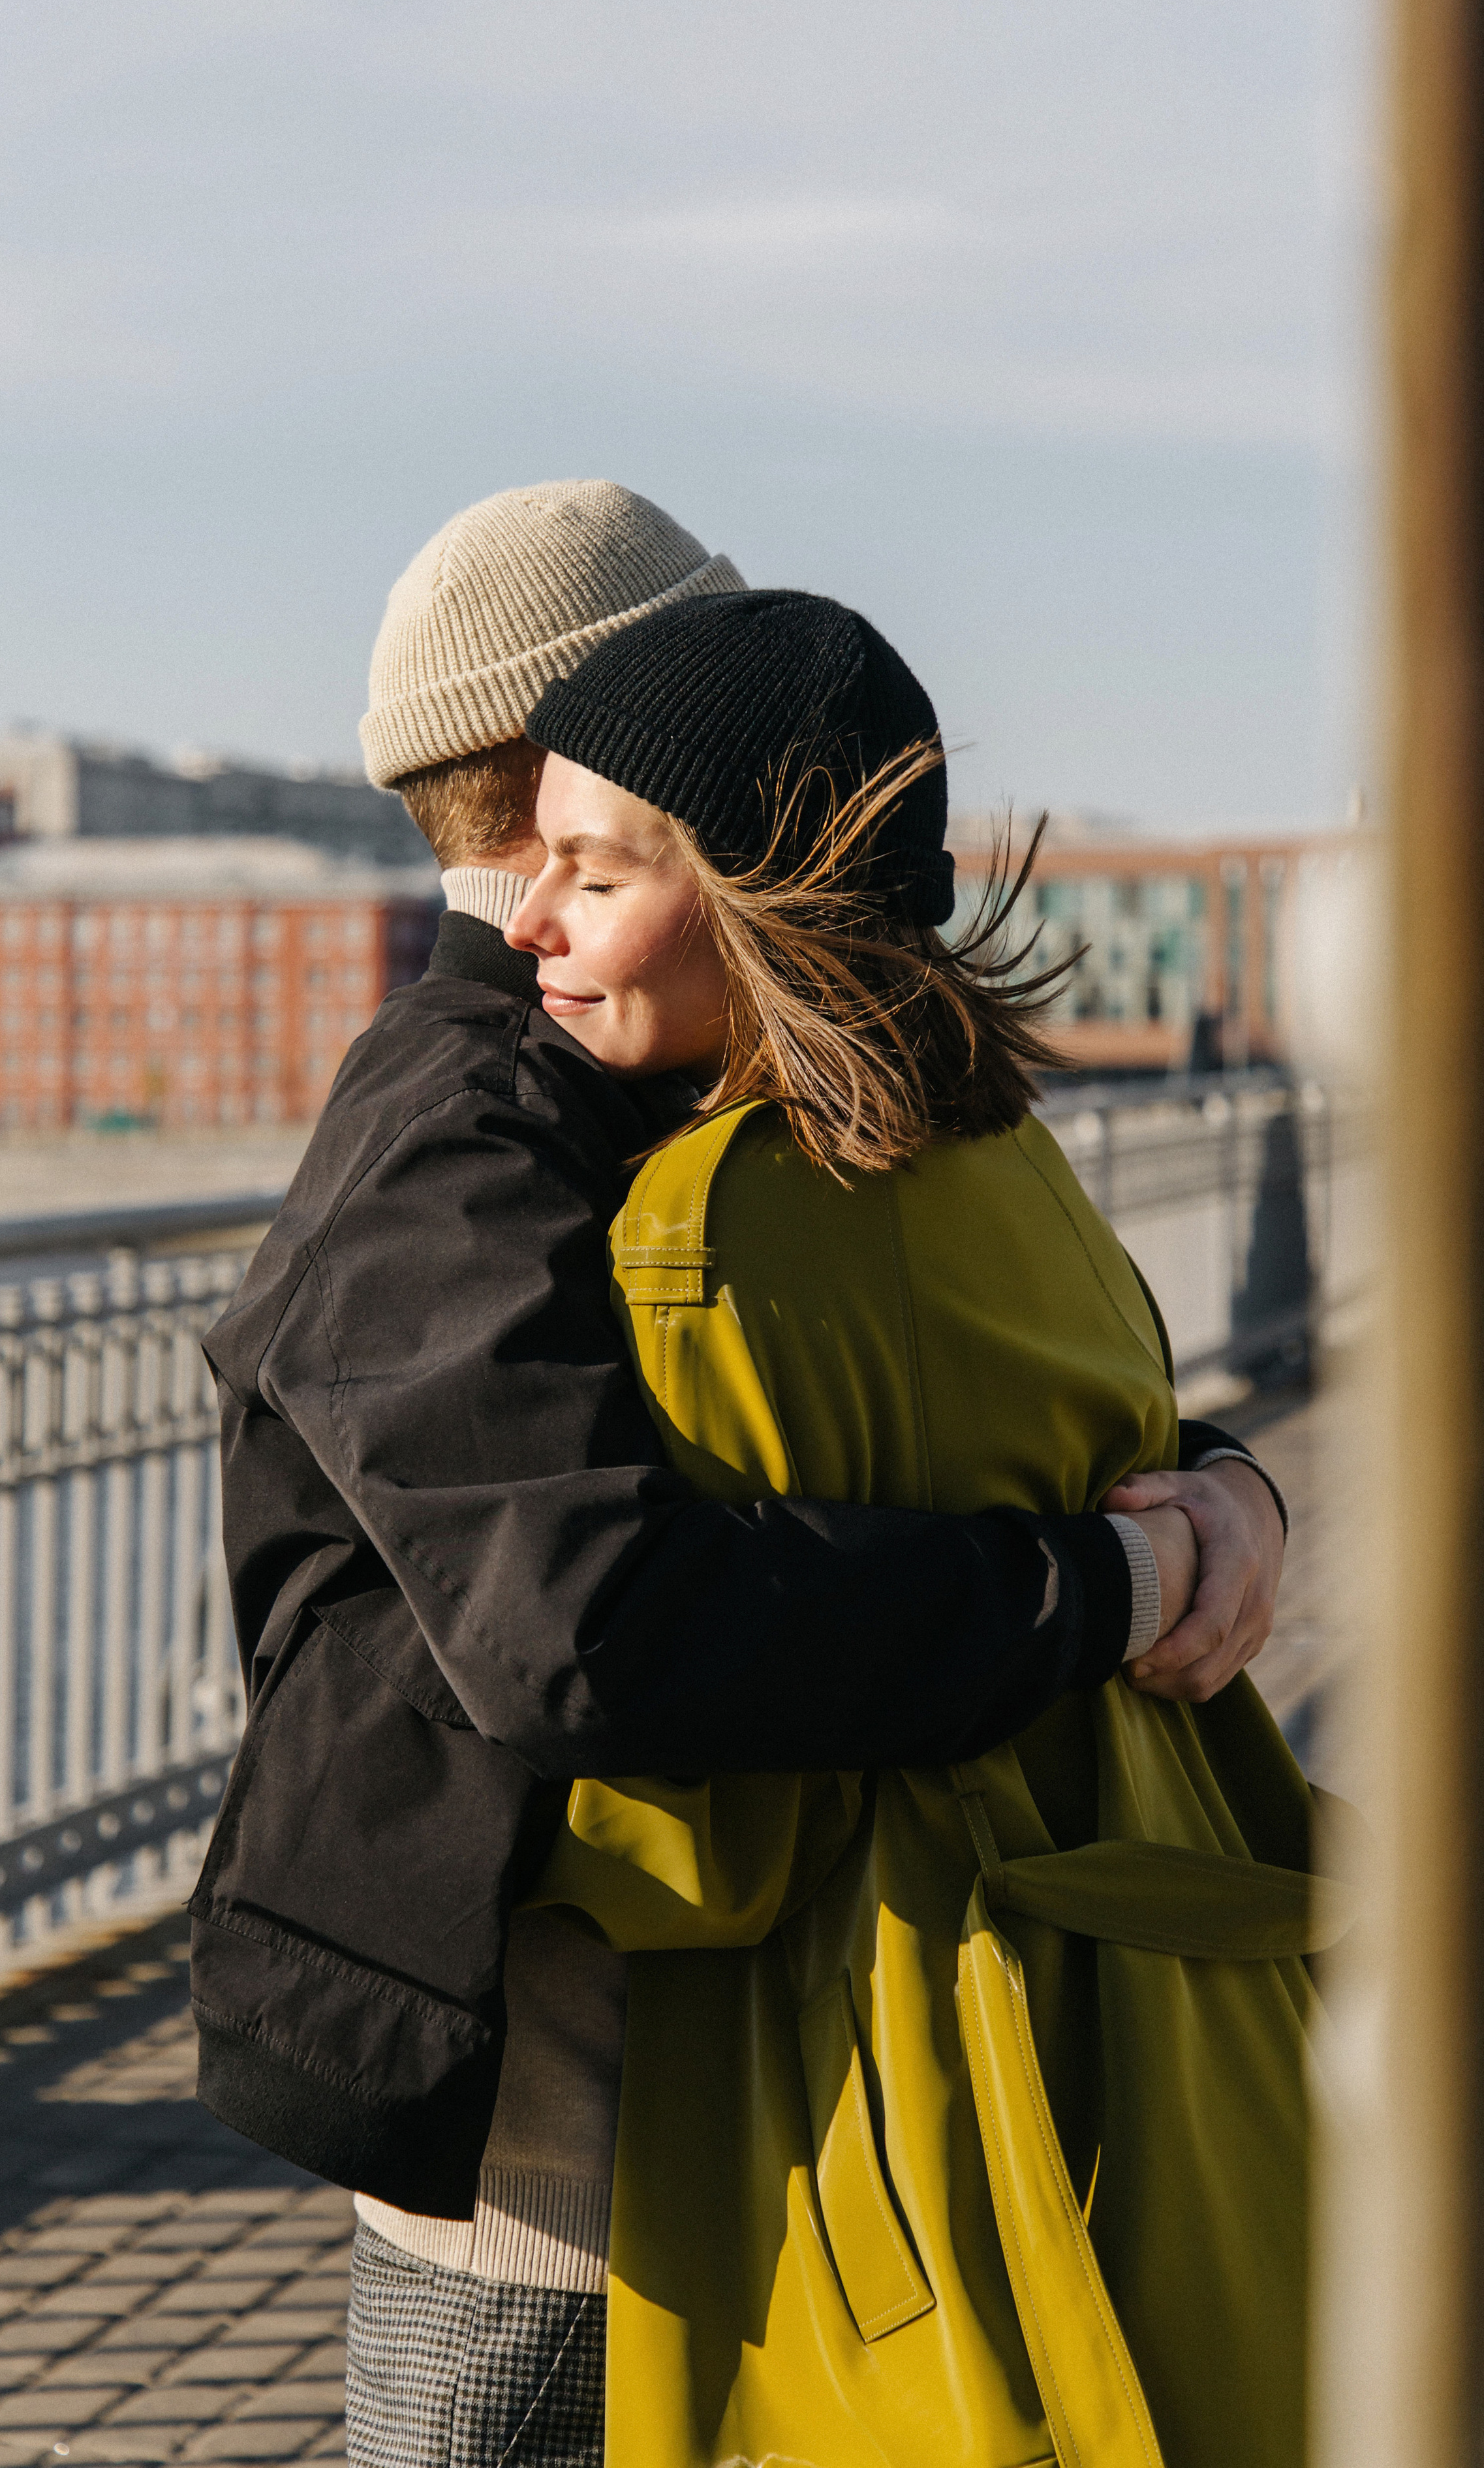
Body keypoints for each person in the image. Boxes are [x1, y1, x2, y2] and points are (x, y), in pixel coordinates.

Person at [190, 482, 1287, 2467]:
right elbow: (594, 1623)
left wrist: (1212, 1488)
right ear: (572, 760)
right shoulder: (468, 1123)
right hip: (535, 2091)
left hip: (748, 2034)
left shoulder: (708, 1067)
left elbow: (937, 1394)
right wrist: (1100, 1589)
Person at [511, 587, 1329, 2468]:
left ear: (757, 890)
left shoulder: (706, 1226)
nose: (529, 927)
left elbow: (685, 1828)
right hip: (1166, 1960)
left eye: (591, 873)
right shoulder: (1015, 1155)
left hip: (893, 2041)